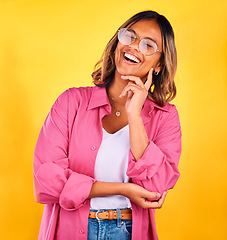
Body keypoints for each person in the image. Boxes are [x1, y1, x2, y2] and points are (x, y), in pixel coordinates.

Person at [33, 10, 182, 240]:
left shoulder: (166, 117)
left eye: (148, 45)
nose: (134, 47)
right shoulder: (71, 102)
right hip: (69, 231)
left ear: (160, 64)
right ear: (117, 42)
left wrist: (135, 116)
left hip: (127, 231)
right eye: (130, 36)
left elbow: (155, 188)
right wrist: (122, 189)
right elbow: (46, 181)